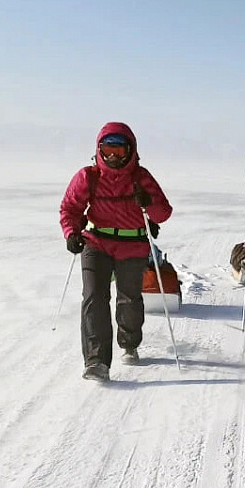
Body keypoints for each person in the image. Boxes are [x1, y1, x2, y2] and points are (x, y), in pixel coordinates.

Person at [59, 122, 174, 381]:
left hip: (133, 245)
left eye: (120, 152)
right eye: (108, 151)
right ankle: (97, 362)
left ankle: (129, 342)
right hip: (96, 243)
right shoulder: (88, 176)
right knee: (94, 298)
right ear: (99, 150)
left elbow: (163, 213)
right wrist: (71, 233)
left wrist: (147, 202)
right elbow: (70, 208)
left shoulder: (141, 178)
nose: (113, 157)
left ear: (131, 151)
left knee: (129, 299)